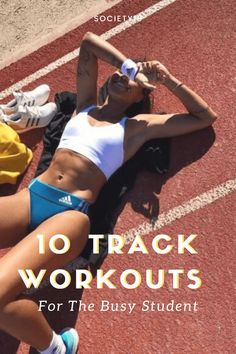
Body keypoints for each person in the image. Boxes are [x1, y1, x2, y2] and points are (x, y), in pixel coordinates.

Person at [0, 32, 217, 354]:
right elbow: (88, 43)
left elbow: (204, 118)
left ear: (140, 97)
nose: (121, 77)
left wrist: (167, 78)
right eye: (118, 74)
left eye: (131, 82)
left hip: (68, 218)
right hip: (32, 198)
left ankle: (57, 348)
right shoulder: (84, 106)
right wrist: (128, 66)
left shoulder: (137, 128)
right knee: (5, 303)